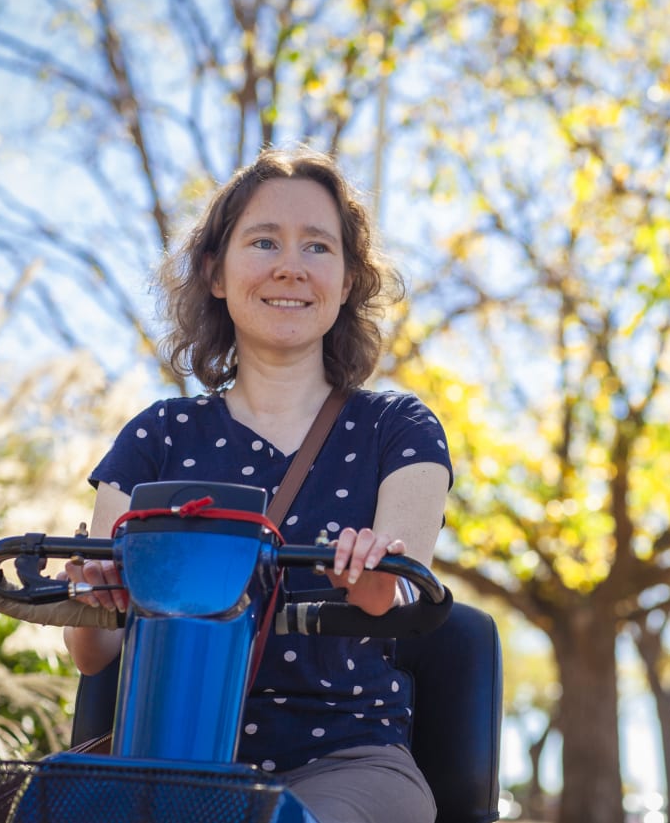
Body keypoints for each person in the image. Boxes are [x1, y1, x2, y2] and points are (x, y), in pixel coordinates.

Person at [62, 146, 452, 823]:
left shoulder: (400, 429)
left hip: (346, 762)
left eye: (318, 247)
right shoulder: (156, 437)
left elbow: (392, 592)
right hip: (170, 759)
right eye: (264, 240)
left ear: (349, 279)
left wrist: (366, 570)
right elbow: (95, 650)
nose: (289, 266)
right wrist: (92, 593)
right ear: (215, 272)